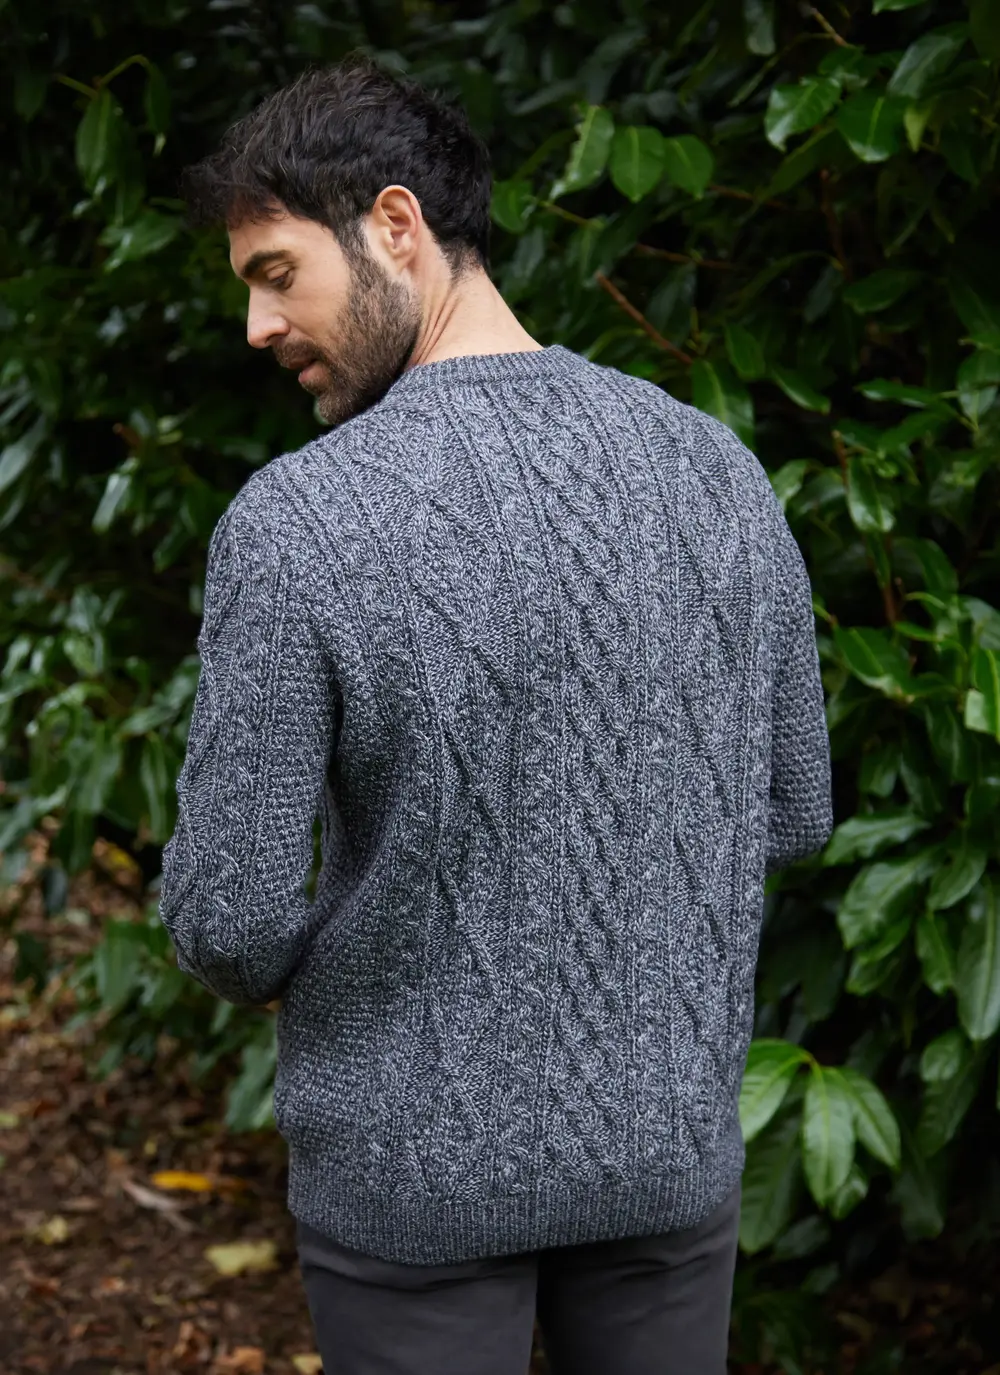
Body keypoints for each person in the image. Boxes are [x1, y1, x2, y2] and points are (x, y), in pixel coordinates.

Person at [159, 52, 834, 1375]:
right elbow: (794, 812)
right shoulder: (715, 469)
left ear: (395, 224)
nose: (257, 325)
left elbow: (229, 920)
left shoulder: (301, 523)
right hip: (663, 1150)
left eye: (276, 272)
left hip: (413, 1177)